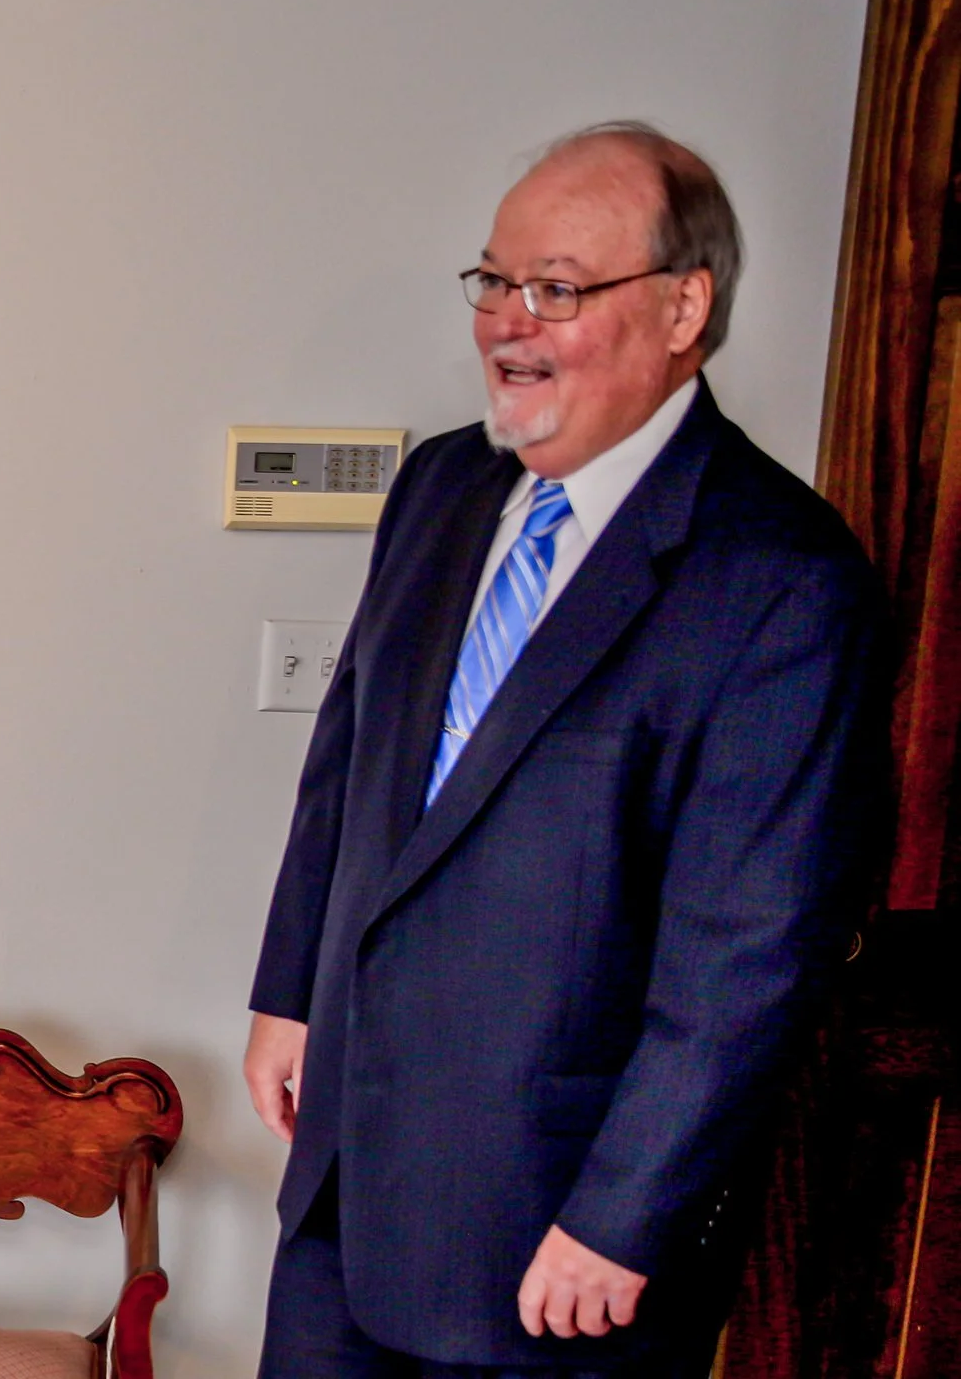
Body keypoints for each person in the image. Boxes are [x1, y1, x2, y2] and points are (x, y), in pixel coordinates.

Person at [244, 123, 884, 1376]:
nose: (506, 325)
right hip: (345, 1179)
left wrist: (621, 1217)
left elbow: (750, 952)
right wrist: (287, 992)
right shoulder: (438, 486)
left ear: (683, 305)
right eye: (493, 281)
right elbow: (347, 764)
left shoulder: (784, 579)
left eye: (558, 289)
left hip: (551, 1240)